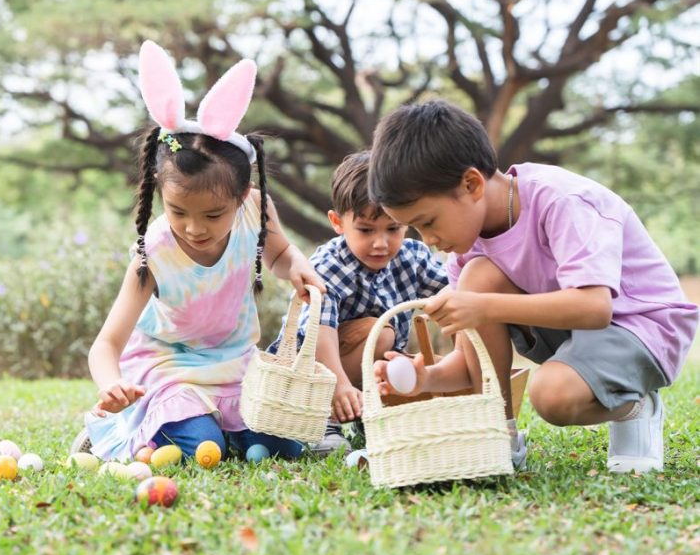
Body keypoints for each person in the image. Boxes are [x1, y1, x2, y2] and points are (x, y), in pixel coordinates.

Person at [368, 100, 698, 473]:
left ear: (472, 184)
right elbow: (474, 362)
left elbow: (595, 308)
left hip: (643, 326)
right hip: (578, 334)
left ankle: (636, 407)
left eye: (428, 222)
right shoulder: (466, 250)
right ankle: (499, 434)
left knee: (551, 395)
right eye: (415, 228)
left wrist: (484, 307)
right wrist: (427, 377)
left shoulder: (561, 200)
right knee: (478, 277)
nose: (427, 240)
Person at [71, 41, 325, 461]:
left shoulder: (255, 209)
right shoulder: (154, 253)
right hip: (170, 369)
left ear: (241, 195)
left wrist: (296, 264)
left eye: (213, 214)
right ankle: (117, 428)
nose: (194, 228)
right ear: (160, 193)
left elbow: (279, 254)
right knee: (206, 447)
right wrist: (111, 385)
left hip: (235, 365)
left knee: (283, 445)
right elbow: (107, 344)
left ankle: (218, 431)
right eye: (178, 212)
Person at [267, 151, 447, 455]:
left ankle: (371, 413)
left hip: (364, 363)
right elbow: (319, 331)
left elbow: (452, 291)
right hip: (309, 372)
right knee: (382, 334)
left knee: (399, 358)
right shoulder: (329, 264)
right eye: (365, 230)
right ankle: (322, 419)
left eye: (393, 228)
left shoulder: (412, 257)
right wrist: (338, 384)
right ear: (337, 222)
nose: (381, 243)